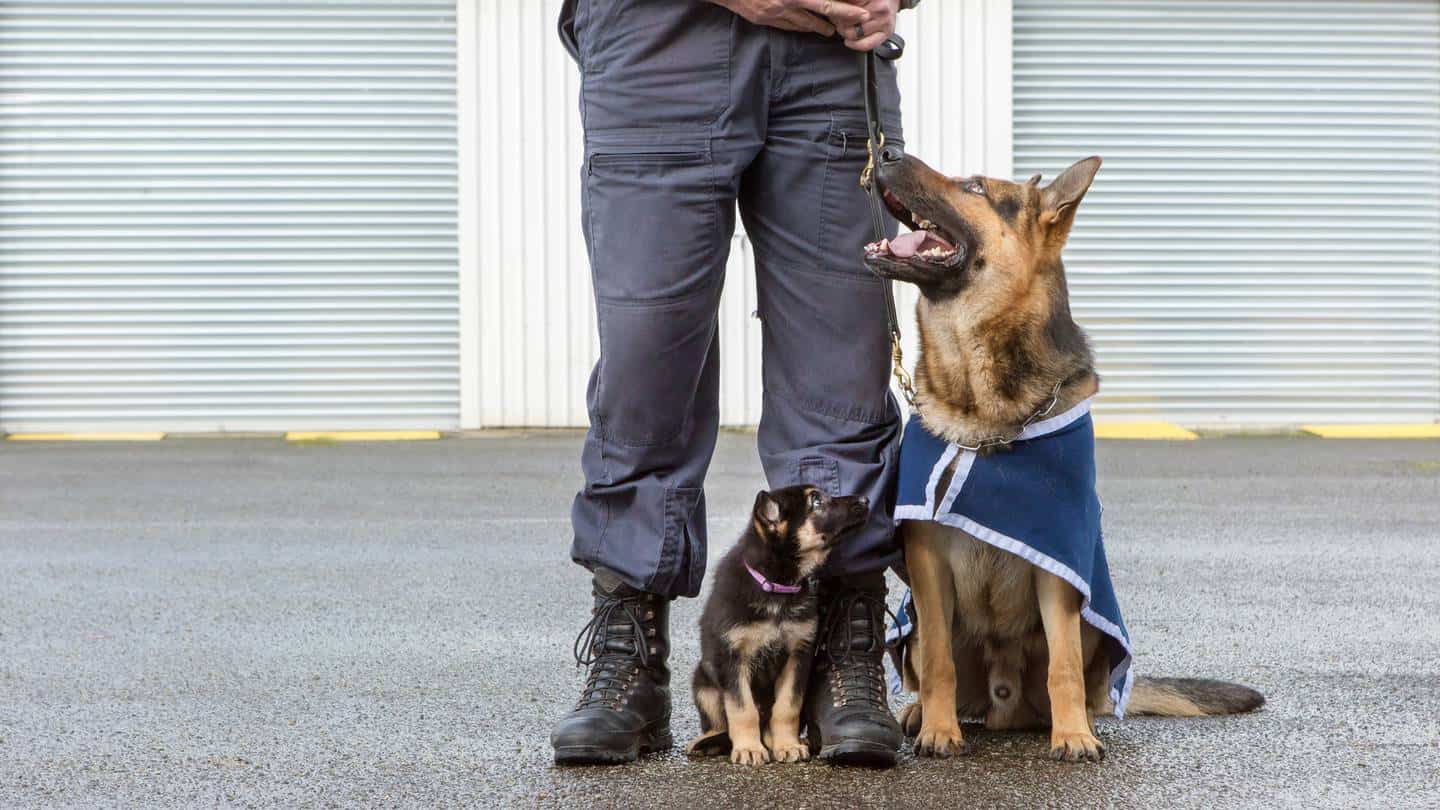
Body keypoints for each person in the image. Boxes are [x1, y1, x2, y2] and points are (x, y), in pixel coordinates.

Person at [551, 0, 920, 767]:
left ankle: (839, 654)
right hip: (660, 40)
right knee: (645, 356)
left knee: (841, 363)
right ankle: (633, 649)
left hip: (828, 56)